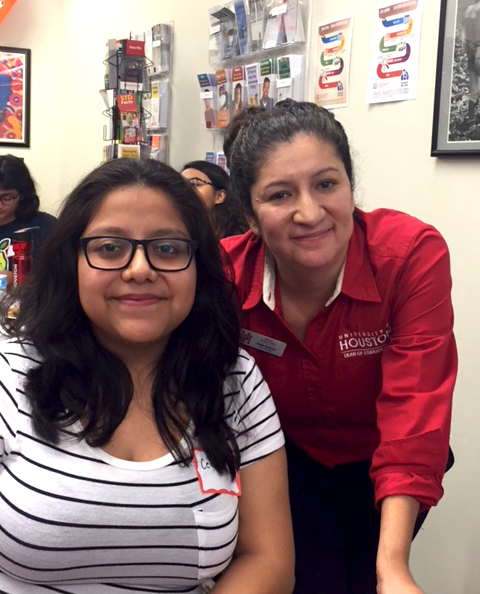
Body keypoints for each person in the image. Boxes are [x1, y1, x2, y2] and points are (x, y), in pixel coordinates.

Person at [0, 158, 294, 594]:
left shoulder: (235, 380)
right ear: (71, 263)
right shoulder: (11, 371)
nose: (140, 269)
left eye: (168, 248)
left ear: (199, 266)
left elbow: (268, 559)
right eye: (109, 248)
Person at [221, 100, 457, 594]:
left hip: (386, 457)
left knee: (373, 578)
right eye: (281, 194)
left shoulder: (409, 254)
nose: (310, 213)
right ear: (249, 215)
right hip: (286, 460)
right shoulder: (225, 273)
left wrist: (393, 566)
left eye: (327, 184)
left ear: (351, 187)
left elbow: (414, 406)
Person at [0, 154, 56, 285]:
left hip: (29, 303)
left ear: (23, 195)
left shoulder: (44, 226)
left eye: (7, 198)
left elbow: (60, 278)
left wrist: (17, 280)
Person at [181, 160, 248, 239]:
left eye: (194, 184)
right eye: (181, 185)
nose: (185, 190)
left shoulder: (236, 241)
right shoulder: (181, 232)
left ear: (219, 196)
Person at [462, 1, 480, 126]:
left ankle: (471, 121)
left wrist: (468, 50)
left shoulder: (468, 9)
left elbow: (464, 35)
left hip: (471, 51)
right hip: (479, 49)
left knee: (474, 89)